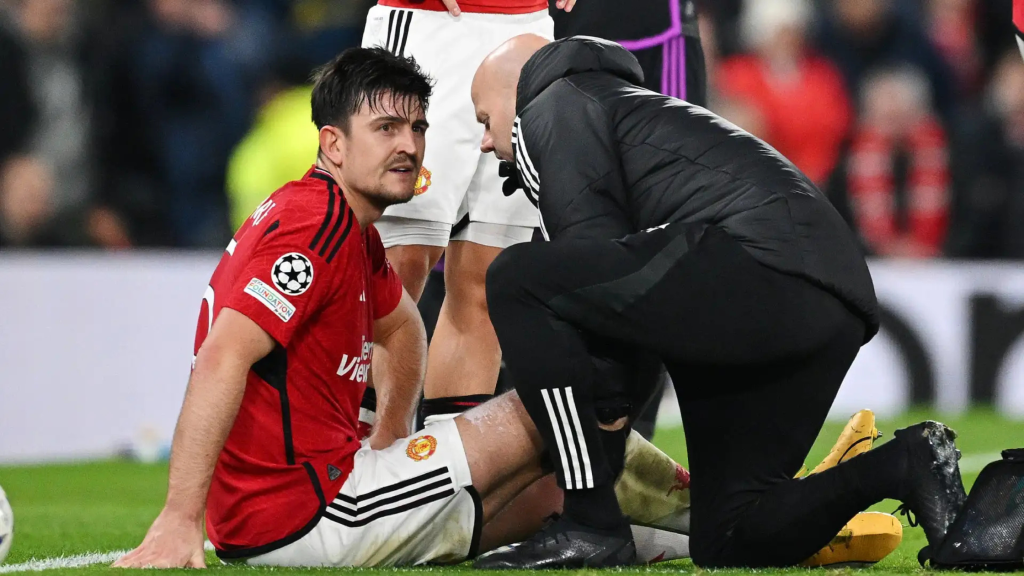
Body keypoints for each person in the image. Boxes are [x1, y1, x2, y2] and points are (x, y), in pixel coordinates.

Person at [111, 46, 692, 569]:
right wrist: (179, 520)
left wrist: (387, 438)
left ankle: (711, 534)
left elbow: (403, 328)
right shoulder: (315, 227)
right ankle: (711, 502)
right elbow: (221, 359)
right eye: (385, 128)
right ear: (333, 143)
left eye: (416, 127)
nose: (408, 145)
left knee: (552, 501)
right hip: (310, 513)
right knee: (561, 395)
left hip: (312, 502)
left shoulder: (342, 224)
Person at [469, 35, 967, 569]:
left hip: (759, 267)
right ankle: (906, 462)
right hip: (827, 300)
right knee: (729, 540)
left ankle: (588, 523)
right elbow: (621, 294)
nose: (484, 141)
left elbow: (589, 271)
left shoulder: (552, 102)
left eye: (484, 118)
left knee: (516, 277)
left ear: (515, 91)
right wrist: (610, 412)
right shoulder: (624, 108)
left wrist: (605, 430)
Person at [356, 0, 572, 427]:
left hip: (526, 33)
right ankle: (348, 461)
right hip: (431, 27)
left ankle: (438, 476)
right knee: (395, 269)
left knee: (489, 284)